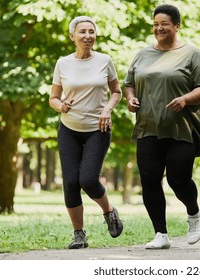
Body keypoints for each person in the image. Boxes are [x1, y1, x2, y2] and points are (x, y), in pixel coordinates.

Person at [123, 4, 200, 249]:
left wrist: (185, 99)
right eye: (155, 24)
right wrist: (130, 98)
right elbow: (129, 82)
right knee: (150, 180)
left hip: (181, 128)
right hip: (147, 127)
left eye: (164, 24)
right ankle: (160, 234)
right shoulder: (142, 54)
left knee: (178, 179)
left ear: (177, 25)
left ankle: (193, 213)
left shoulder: (191, 54)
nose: (158, 28)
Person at [49, 16, 123, 249]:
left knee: (89, 179)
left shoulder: (105, 60)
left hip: (97, 129)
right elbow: (53, 97)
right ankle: (79, 234)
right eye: (82, 32)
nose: (88, 36)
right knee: (71, 182)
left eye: (91, 31)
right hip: (69, 129)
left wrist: (107, 110)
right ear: (73, 36)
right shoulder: (63, 63)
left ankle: (109, 212)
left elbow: (116, 92)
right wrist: (60, 105)